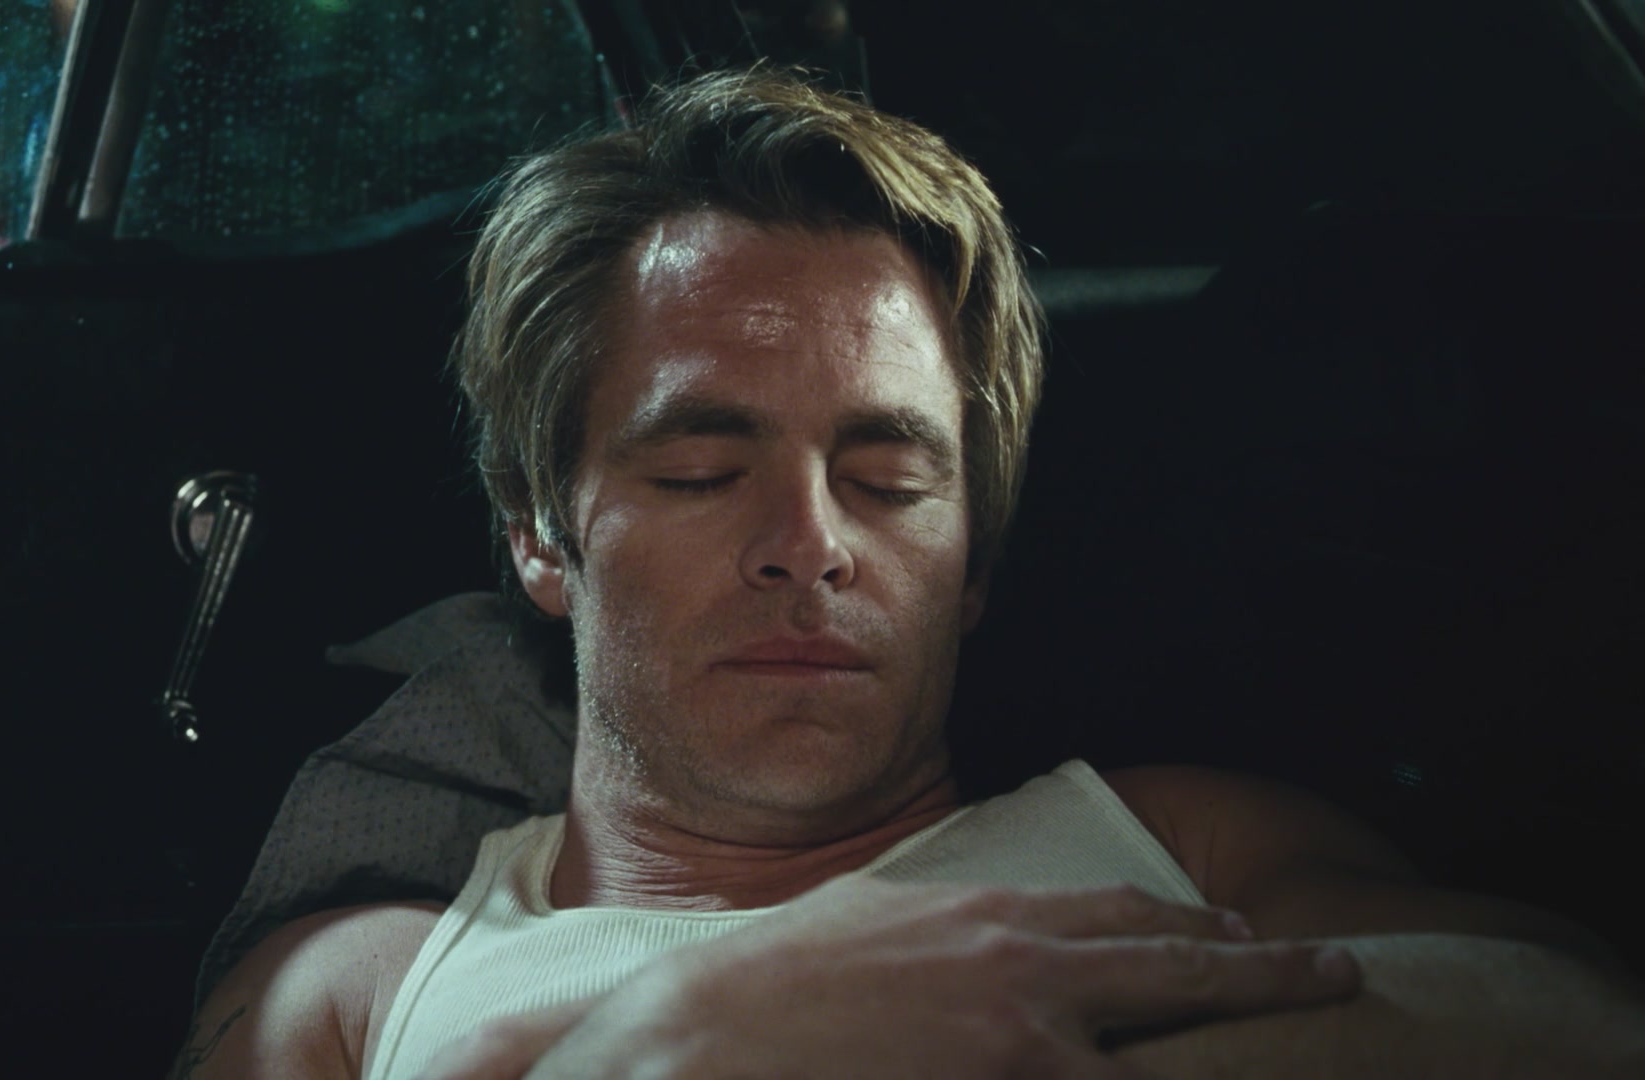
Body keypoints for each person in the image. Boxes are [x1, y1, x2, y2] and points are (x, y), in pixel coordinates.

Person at [169, 68, 1644, 1079]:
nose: (810, 542)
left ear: (974, 563)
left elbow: (1579, 1021)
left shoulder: (1177, 843)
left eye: (889, 481)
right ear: (541, 535)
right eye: (701, 470)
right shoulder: (362, 986)